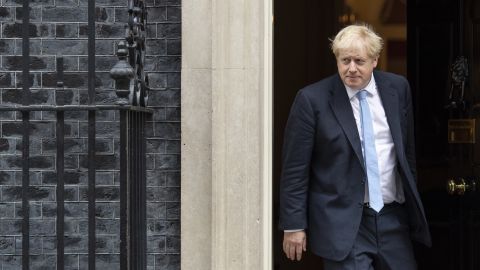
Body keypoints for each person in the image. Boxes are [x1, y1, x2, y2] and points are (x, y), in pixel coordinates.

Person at [278, 23, 431, 270]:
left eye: (359, 61)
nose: (351, 69)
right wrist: (294, 225)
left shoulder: (398, 89)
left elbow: (406, 153)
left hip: (393, 219)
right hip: (344, 223)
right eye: (344, 60)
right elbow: (295, 169)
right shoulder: (311, 99)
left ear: (375, 60)